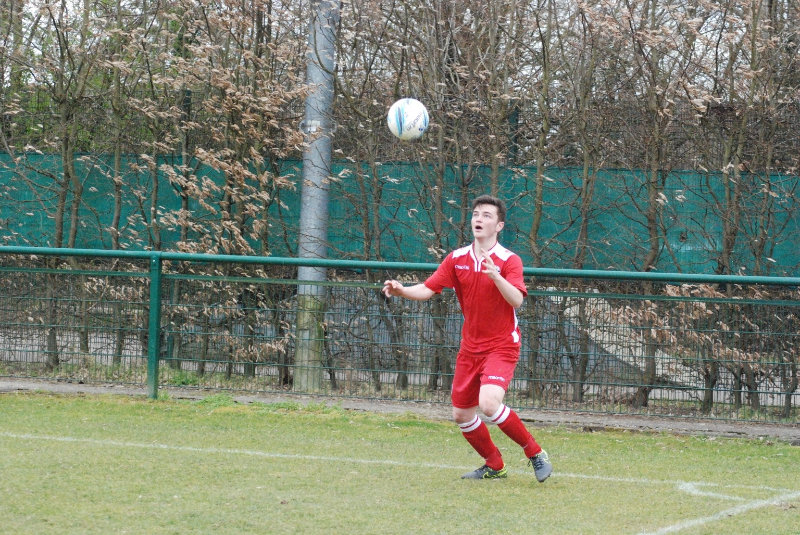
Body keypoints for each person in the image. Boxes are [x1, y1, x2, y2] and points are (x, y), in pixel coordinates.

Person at [382, 194, 552, 482]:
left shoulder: (509, 260)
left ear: (499, 225)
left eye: (486, 215)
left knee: (489, 404)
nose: (478, 219)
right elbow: (428, 289)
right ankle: (495, 465)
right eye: (475, 214)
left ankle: (535, 453)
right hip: (470, 347)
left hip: (502, 345)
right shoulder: (457, 258)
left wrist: (496, 276)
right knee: (461, 415)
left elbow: (517, 300)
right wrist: (402, 290)